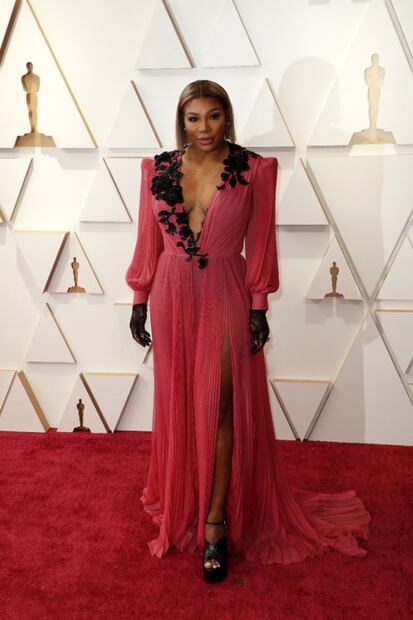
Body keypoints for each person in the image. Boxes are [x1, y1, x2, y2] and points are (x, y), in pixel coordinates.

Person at [126, 79, 371, 583]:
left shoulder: (255, 169)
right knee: (180, 402)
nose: (204, 128)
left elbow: (260, 242)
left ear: (227, 117)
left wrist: (258, 307)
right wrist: (139, 300)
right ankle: (187, 501)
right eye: (194, 118)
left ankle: (216, 523)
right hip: (171, 295)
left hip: (225, 291)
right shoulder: (157, 169)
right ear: (182, 121)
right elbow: (147, 241)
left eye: (213, 116)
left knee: (221, 403)